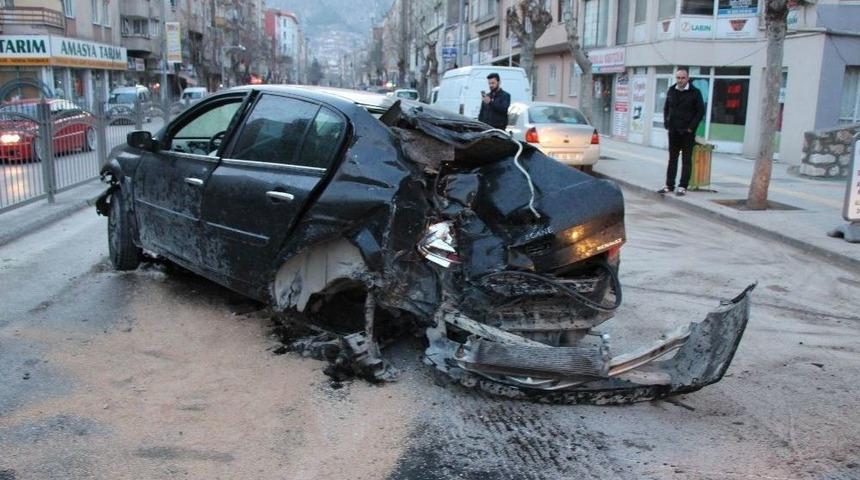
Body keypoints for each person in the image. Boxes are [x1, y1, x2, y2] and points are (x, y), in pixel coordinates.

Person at [658, 68, 705, 196]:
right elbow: (666, 108)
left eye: (683, 78)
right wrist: (667, 123)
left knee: (686, 159)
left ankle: (683, 186)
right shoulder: (672, 90)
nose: (680, 80)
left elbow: (700, 111)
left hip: (687, 132)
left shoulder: (695, 92)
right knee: (672, 159)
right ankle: (669, 185)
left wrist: (691, 128)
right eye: (678, 78)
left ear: (687, 78)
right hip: (673, 130)